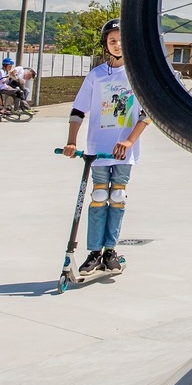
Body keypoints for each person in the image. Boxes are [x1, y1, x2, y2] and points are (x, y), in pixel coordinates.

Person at [61, 19, 148, 277]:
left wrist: (129, 141)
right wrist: (71, 141)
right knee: (98, 197)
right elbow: (78, 110)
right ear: (105, 44)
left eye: (122, 40)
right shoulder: (96, 75)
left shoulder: (137, 75)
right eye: (112, 40)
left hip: (123, 152)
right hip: (98, 148)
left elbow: (146, 114)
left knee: (117, 197)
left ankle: (110, 250)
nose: (118, 44)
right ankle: (94, 252)